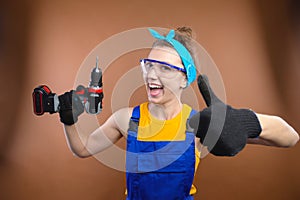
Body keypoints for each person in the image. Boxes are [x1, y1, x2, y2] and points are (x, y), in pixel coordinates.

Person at [57, 27, 299, 200]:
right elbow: (83, 148)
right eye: (148, 65)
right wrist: (68, 119)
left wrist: (244, 121)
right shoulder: (125, 119)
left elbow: (291, 137)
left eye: (164, 68)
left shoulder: (200, 125)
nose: (152, 75)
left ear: (185, 78)